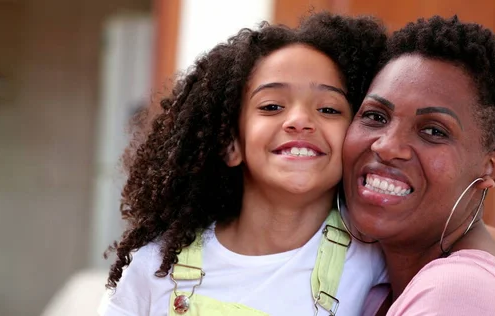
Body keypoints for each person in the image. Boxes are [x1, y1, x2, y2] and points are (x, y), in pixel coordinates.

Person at [99, 13, 388, 316]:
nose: (301, 121)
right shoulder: (152, 268)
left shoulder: (374, 259)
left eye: (328, 109)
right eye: (272, 106)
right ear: (230, 144)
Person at [341, 15, 495, 315]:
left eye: (434, 131)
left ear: (492, 167)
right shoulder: (379, 278)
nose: (387, 146)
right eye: (376, 116)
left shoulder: (459, 293)